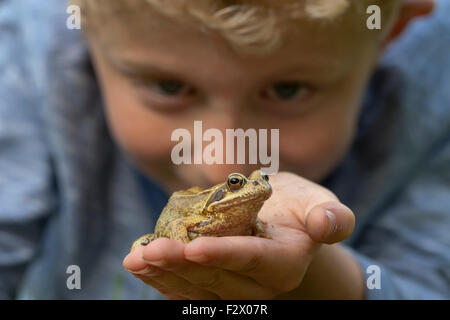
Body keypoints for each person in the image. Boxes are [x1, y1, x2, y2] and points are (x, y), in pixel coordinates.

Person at [0, 0, 448, 299]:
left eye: (288, 90)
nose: (224, 161)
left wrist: (323, 278)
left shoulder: (436, 93)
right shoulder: (23, 64)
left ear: (397, 25)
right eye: (169, 86)